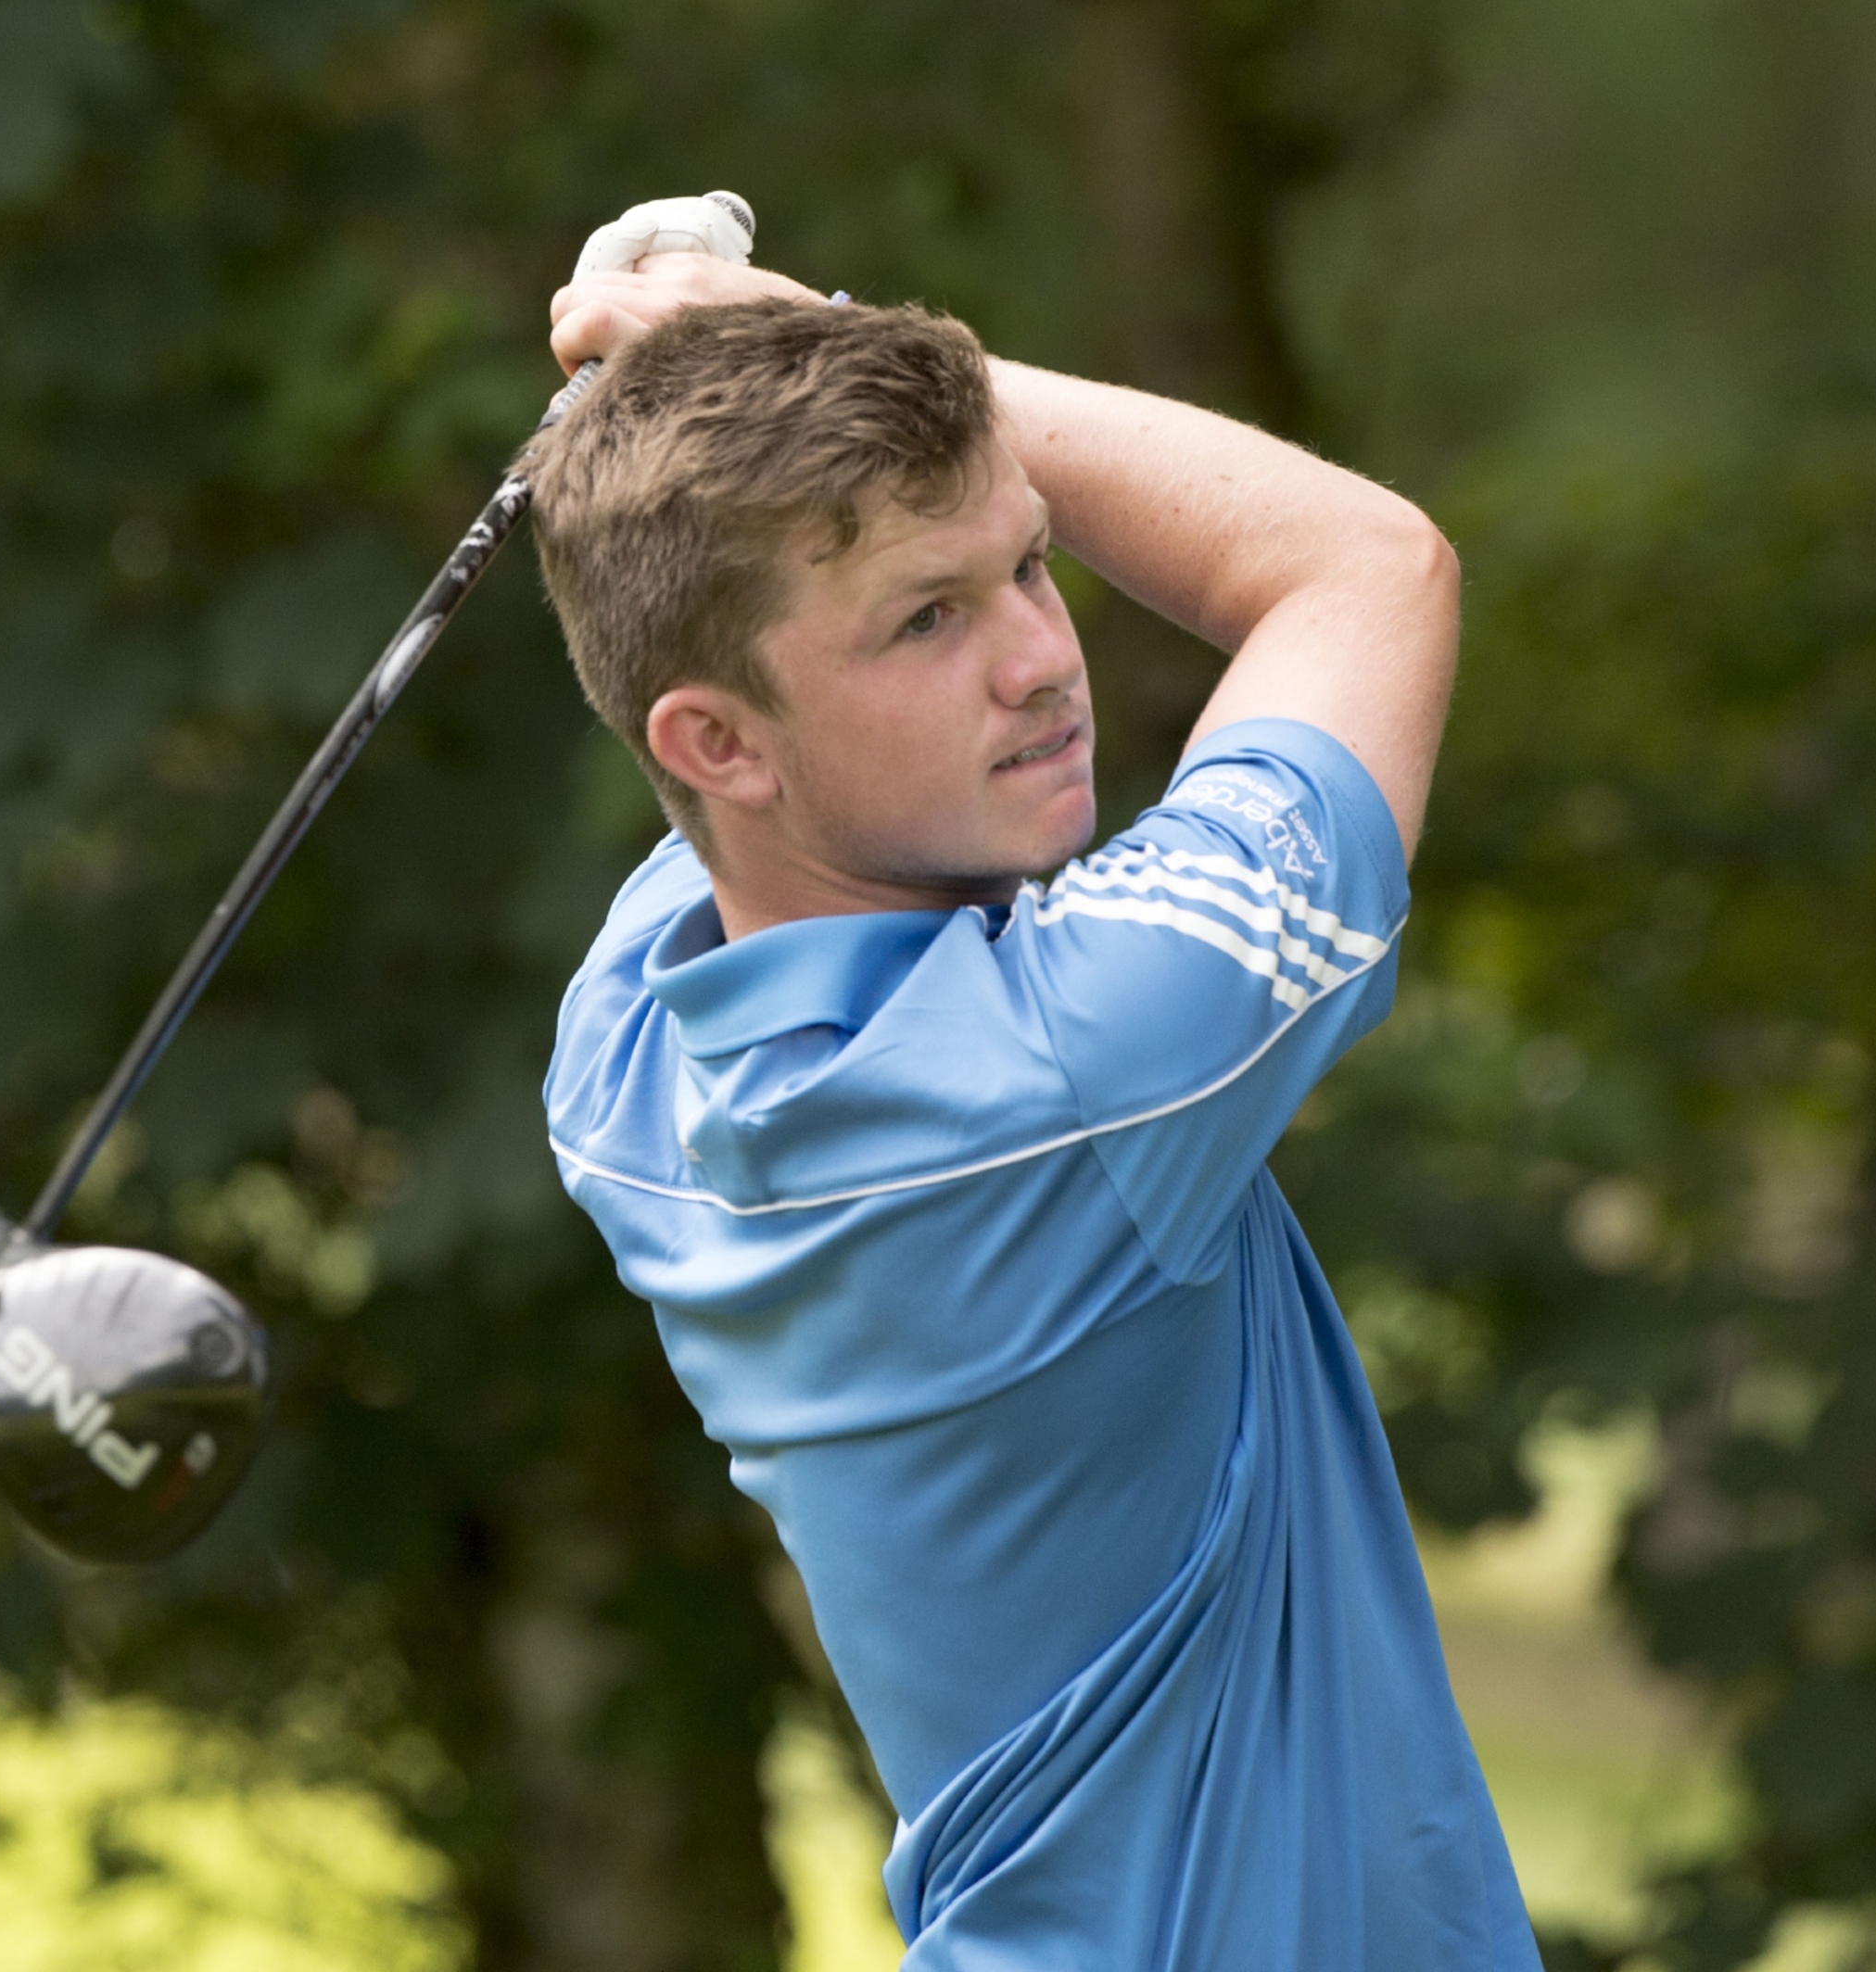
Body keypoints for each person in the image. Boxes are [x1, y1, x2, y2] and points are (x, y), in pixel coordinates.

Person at [530, 210, 1535, 1969]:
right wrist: (796, 317)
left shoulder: (623, 1050)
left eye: (1030, 564)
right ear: (718, 743)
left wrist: (760, 384)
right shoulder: (1074, 1071)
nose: (1035, 659)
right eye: (926, 618)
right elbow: (1362, 567)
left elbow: (701, 729)